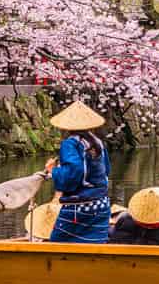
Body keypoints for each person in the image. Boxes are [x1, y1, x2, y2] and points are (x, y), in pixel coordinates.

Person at [42, 100, 111, 243]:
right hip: (102, 204)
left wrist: (53, 171)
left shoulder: (70, 143)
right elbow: (106, 170)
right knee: (94, 244)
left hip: (79, 208)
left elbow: (73, 172)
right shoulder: (97, 142)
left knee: (57, 244)